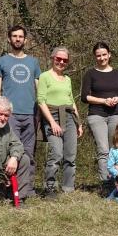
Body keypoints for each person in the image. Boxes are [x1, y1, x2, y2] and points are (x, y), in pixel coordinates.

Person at [0, 24, 40, 197]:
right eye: (14, 36)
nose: (17, 39)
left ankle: (27, 189)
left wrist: (40, 111)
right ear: (9, 39)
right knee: (12, 153)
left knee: (29, 153)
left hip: (30, 114)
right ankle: (10, 190)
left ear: (25, 40)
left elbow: (38, 89)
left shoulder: (33, 62)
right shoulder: (1, 61)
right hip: (9, 115)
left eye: (20, 36)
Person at [81, 41, 118, 193]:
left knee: (117, 149)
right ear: (95, 57)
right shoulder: (90, 73)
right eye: (98, 55)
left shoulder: (117, 73)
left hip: (116, 114)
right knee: (103, 150)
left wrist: (116, 99)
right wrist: (103, 101)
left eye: (104, 54)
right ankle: (106, 184)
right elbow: (84, 96)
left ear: (109, 55)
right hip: (97, 115)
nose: (101, 58)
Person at [37, 47, 83, 198]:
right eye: (58, 59)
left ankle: (68, 187)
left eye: (65, 60)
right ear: (52, 59)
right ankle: (49, 187)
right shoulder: (44, 77)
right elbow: (41, 101)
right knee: (56, 153)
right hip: (53, 116)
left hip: (69, 117)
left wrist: (79, 123)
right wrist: (52, 122)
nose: (61, 62)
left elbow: (71, 101)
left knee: (70, 155)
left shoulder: (67, 79)